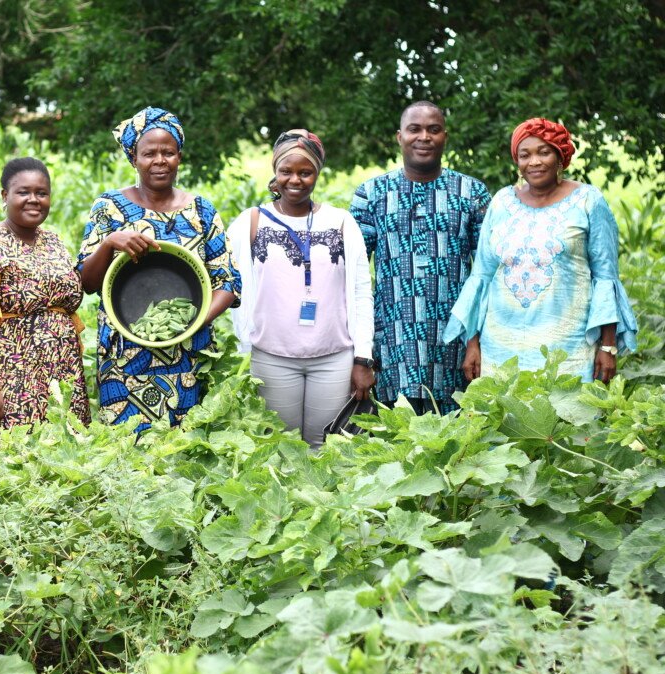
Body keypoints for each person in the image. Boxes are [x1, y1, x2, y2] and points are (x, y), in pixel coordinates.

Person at [77, 106, 241, 431]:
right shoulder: (109, 208)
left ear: (179, 156)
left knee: (184, 450)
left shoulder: (201, 211)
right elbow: (88, 281)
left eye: (168, 152)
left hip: (187, 357)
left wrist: (192, 323)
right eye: (149, 153)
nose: (160, 160)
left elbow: (228, 284)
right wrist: (110, 242)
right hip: (124, 359)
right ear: (134, 158)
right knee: (125, 453)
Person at [442, 118, 638, 382]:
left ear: (561, 157)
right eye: (525, 155)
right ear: (517, 162)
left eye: (543, 152)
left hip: (567, 350)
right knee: (502, 419)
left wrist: (607, 346)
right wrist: (473, 344)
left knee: (567, 419)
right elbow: (482, 277)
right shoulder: (501, 202)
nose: (534, 161)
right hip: (500, 351)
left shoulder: (588, 201)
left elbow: (605, 278)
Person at [228, 129, 374, 448]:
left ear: (317, 174)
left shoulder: (341, 222)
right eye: (286, 171)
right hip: (270, 357)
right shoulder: (250, 223)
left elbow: (362, 291)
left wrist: (363, 358)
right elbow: (231, 285)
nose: (295, 180)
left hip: (333, 358)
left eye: (305, 172)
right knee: (278, 448)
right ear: (275, 172)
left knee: (328, 447)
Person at [350, 101, 492, 414]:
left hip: (455, 343)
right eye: (415, 129)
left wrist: (475, 342)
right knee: (396, 442)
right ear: (400, 137)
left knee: (454, 441)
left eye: (433, 129)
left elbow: (486, 274)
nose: (424, 137)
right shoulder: (372, 194)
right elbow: (352, 277)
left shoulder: (472, 193)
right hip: (391, 344)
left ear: (445, 136)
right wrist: (361, 353)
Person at [0, 157, 90, 430]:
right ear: (5, 196)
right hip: (12, 373)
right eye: (23, 192)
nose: (34, 200)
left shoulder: (54, 242)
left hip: (62, 370)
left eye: (41, 193)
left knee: (65, 449)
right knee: (14, 453)